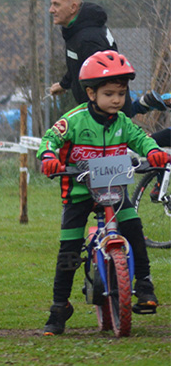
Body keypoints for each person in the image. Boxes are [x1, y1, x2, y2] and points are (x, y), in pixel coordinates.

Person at [37, 51, 165, 335]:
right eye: (109, 94)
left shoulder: (122, 122)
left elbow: (141, 139)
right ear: (91, 93)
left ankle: (144, 285)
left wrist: (153, 152)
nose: (117, 100)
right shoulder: (74, 120)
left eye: (121, 93)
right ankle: (59, 306)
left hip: (114, 188)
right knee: (69, 250)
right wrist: (48, 156)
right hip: (79, 191)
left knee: (134, 229)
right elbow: (50, 139)